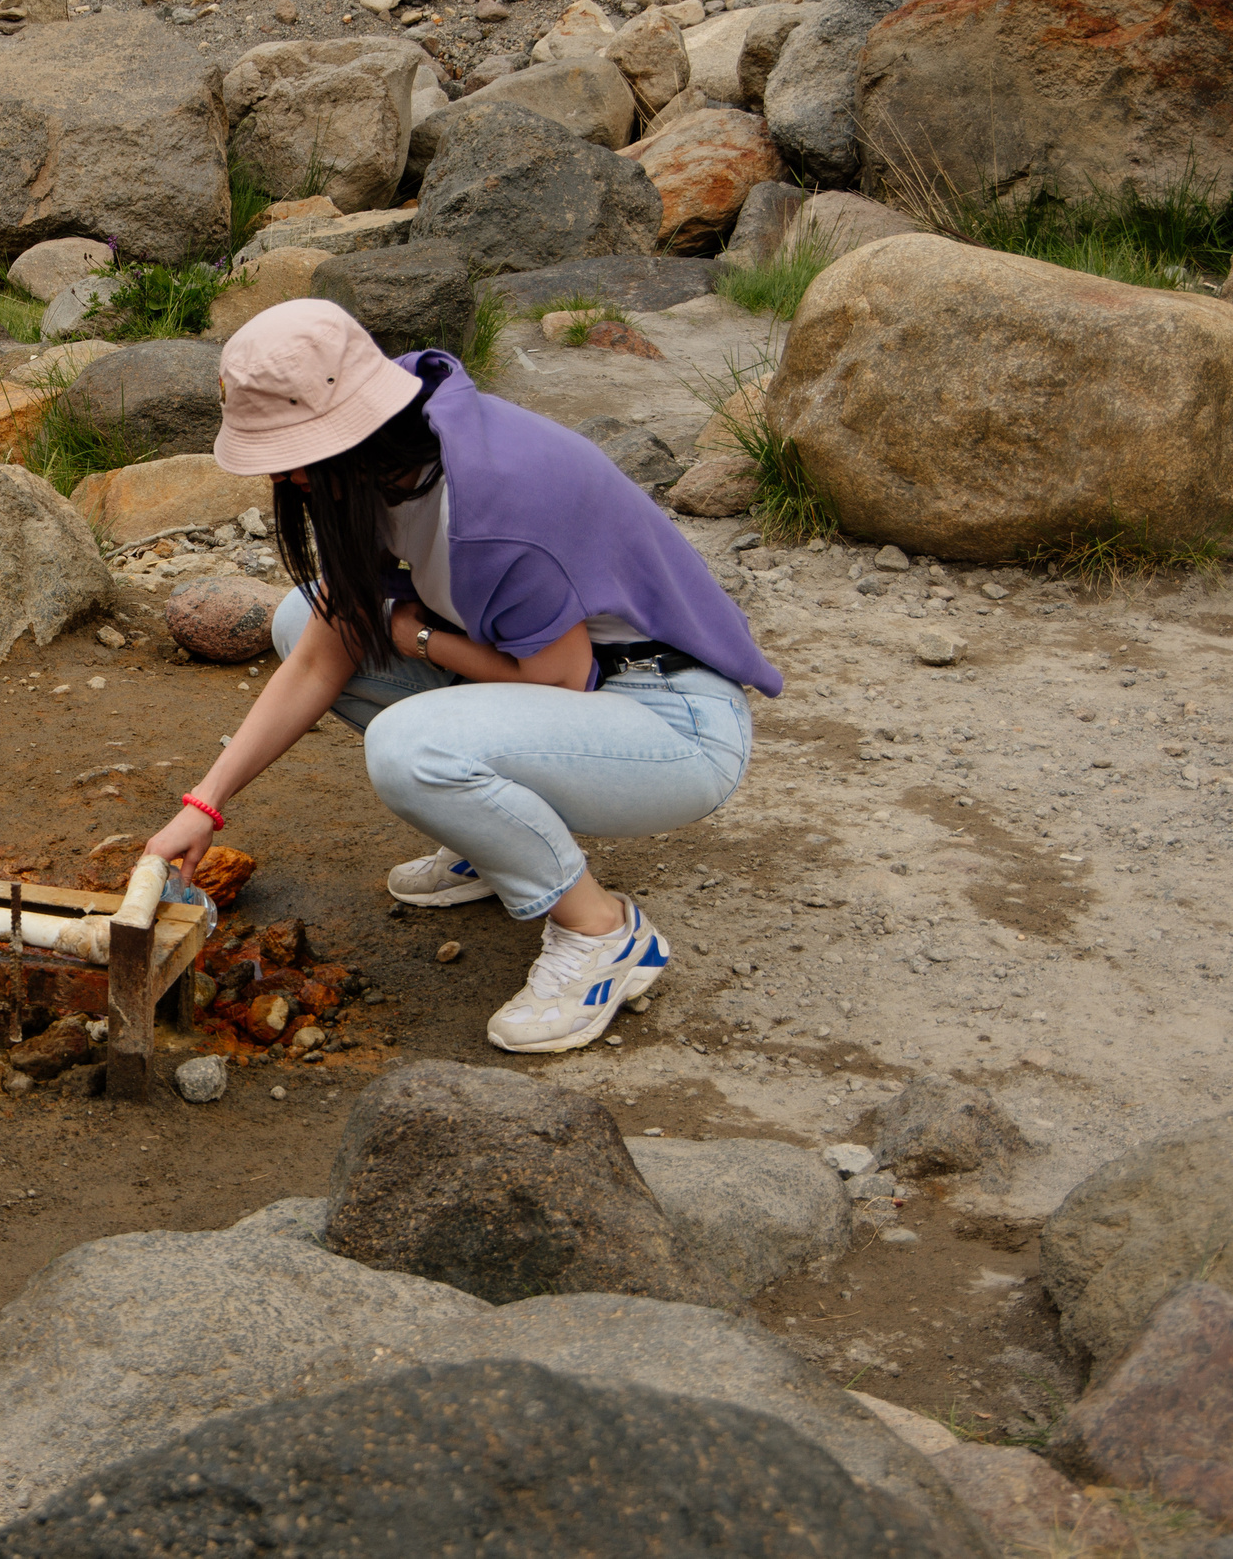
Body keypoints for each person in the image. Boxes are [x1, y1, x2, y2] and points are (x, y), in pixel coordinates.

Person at [144, 299, 782, 1053]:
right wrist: (205, 804)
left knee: (410, 749)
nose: (284, 478)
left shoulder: (493, 500)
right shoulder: (383, 456)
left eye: (286, 457)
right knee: (299, 620)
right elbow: (321, 651)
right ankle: (494, 837)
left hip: (670, 717)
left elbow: (562, 682)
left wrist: (411, 633)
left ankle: (604, 932)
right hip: (579, 686)